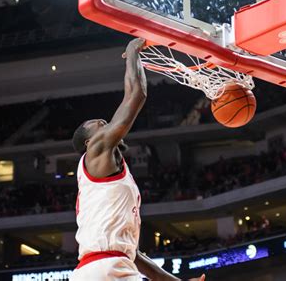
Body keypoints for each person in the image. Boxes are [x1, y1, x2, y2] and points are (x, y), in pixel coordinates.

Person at [71, 38, 204, 281]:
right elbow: (136, 94)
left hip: (101, 270)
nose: (109, 126)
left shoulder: (110, 183)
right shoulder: (95, 153)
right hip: (106, 269)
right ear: (89, 144)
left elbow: (136, 258)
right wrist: (133, 51)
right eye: (102, 126)